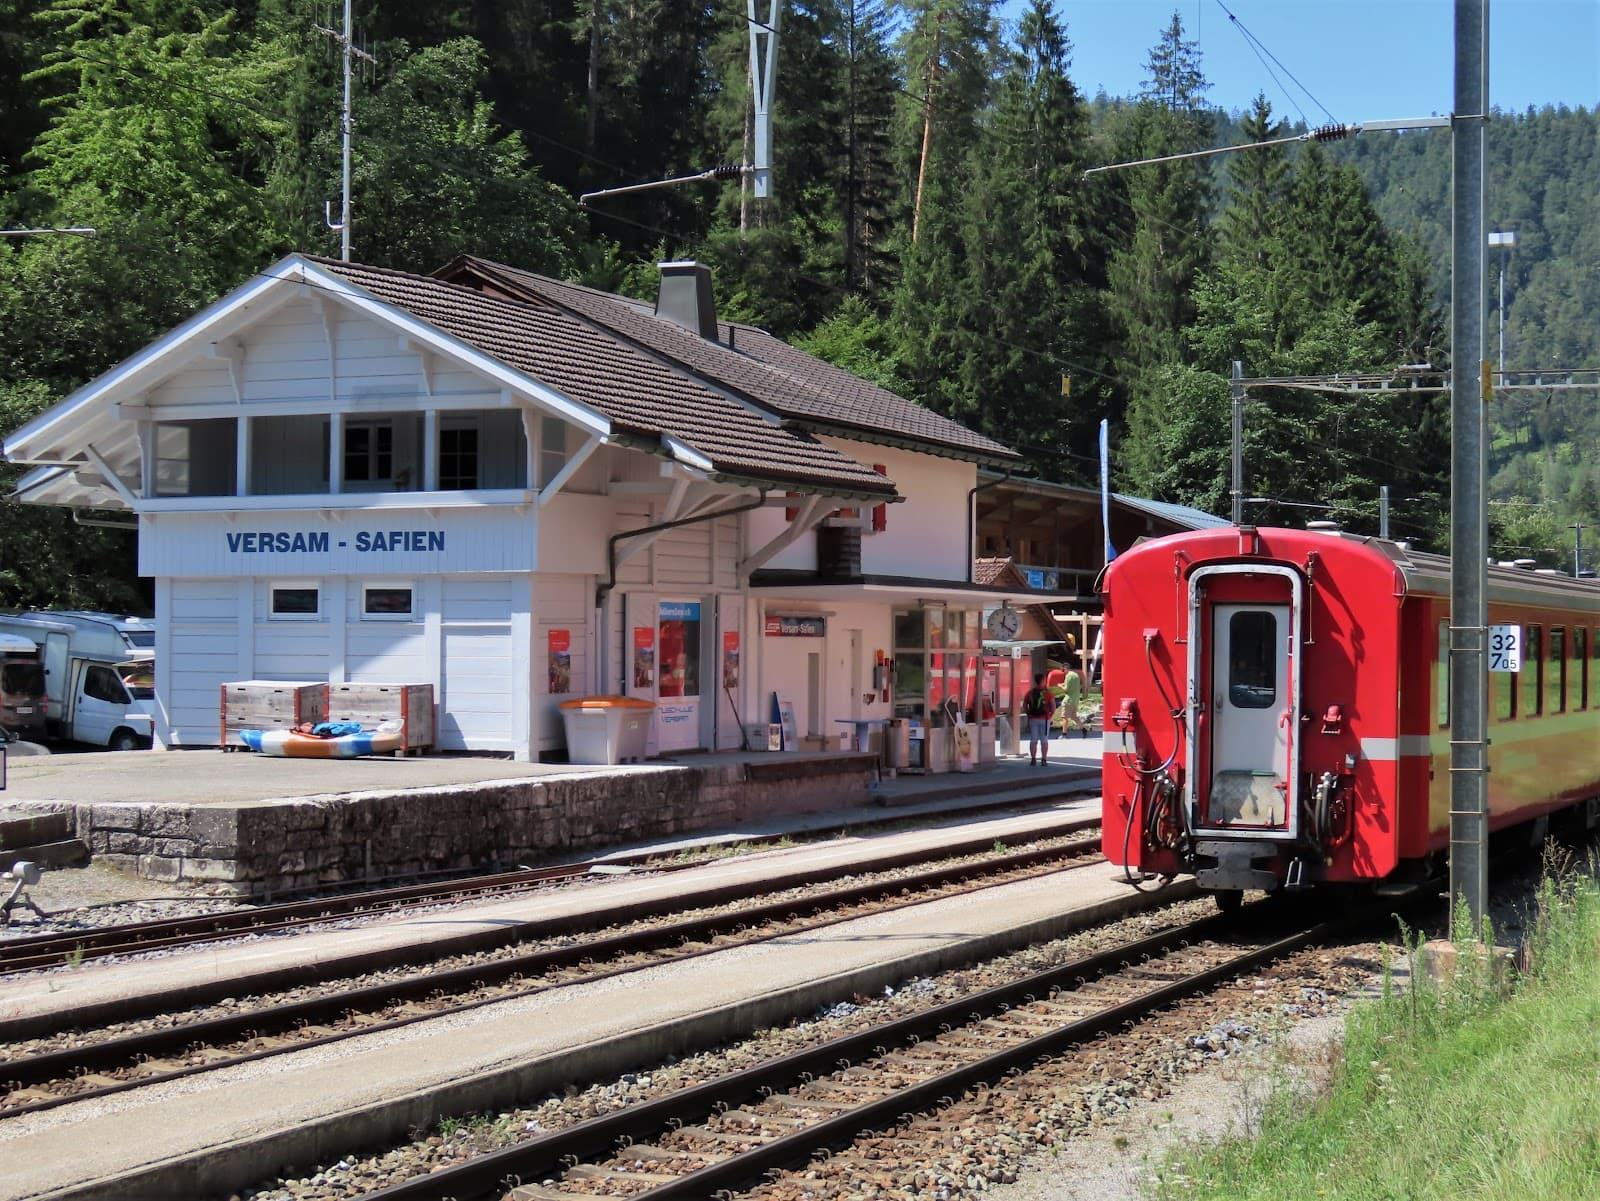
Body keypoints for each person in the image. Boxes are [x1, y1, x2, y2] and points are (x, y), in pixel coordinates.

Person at [1021, 672, 1056, 765]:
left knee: (1033, 739)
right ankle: (1044, 760)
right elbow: (1053, 707)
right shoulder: (1048, 693)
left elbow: (1024, 706)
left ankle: (1033, 759)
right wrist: (1050, 716)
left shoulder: (1030, 693)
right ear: (1043, 681)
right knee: (1044, 740)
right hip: (1045, 719)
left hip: (1033, 718)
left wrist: (1029, 715)